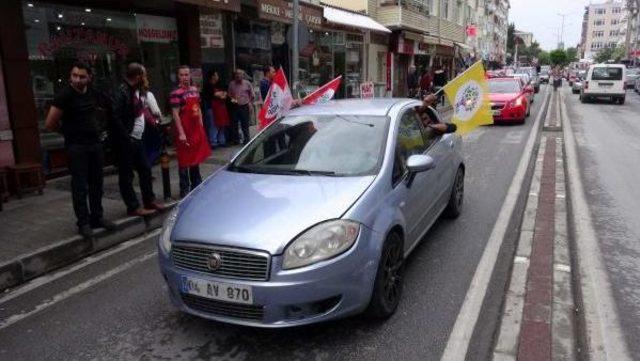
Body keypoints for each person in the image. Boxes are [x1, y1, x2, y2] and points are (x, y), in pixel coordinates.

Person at [45, 62, 116, 237]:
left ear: (89, 78)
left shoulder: (93, 93)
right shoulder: (64, 96)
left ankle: (97, 217)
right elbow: (49, 123)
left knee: (96, 184)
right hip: (77, 147)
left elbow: (105, 109)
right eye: (74, 75)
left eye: (81, 76)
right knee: (79, 186)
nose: (77, 79)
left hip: (94, 144)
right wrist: (67, 132)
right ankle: (83, 223)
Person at [111, 62, 164, 217]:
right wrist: (125, 136)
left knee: (145, 170)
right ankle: (133, 206)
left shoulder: (137, 91)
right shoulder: (122, 91)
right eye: (144, 75)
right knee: (127, 175)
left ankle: (149, 200)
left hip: (138, 138)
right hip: (126, 140)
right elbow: (115, 116)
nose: (146, 78)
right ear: (138, 76)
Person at [170, 65, 212, 198]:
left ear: (190, 76)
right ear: (178, 76)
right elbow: (175, 115)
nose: (184, 77)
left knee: (196, 157)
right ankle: (184, 188)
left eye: (186, 74)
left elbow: (198, 108)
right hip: (184, 130)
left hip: (195, 129)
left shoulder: (195, 90)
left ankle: (196, 184)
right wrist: (181, 133)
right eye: (182, 75)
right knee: (184, 160)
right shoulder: (175, 94)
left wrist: (201, 125)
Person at [141, 74, 163, 164]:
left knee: (144, 148)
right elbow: (155, 111)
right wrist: (160, 118)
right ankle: (148, 165)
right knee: (154, 146)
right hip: (149, 125)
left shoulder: (135, 95)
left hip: (140, 126)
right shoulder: (148, 94)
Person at [228, 69, 254, 145]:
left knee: (245, 124)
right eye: (237, 74)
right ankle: (236, 140)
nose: (238, 75)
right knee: (234, 124)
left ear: (243, 75)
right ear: (235, 75)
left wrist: (250, 104)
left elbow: (252, 95)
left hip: (244, 106)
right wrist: (232, 99)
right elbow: (229, 95)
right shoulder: (231, 84)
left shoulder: (247, 83)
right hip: (235, 106)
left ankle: (246, 140)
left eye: (240, 74)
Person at [209, 71, 230, 147]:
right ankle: (213, 142)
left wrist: (221, 94)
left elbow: (225, 95)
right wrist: (221, 94)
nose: (218, 76)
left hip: (221, 107)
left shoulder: (220, 84)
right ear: (213, 76)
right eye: (216, 75)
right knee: (214, 125)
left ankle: (222, 141)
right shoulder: (209, 85)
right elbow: (216, 95)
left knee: (222, 124)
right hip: (213, 108)